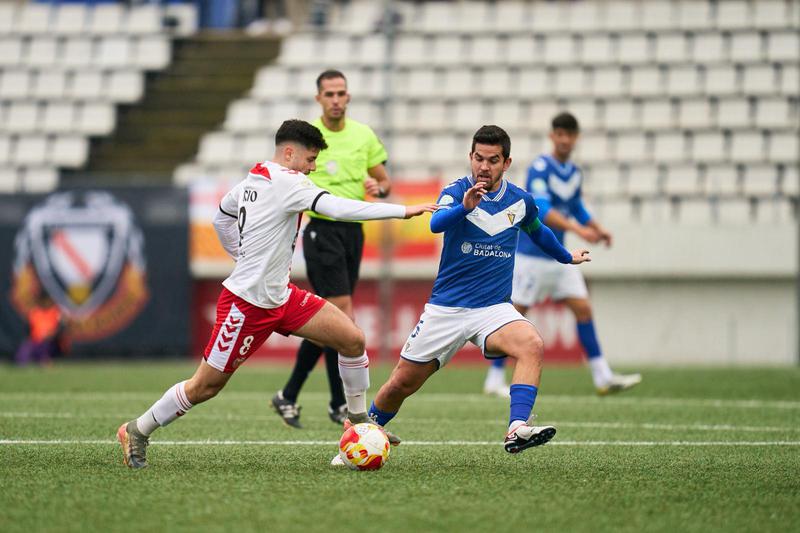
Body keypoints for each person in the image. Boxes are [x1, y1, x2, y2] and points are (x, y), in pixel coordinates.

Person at [117, 119, 435, 469]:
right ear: (289, 153)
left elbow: (221, 218)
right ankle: (137, 429)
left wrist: (240, 254)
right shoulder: (289, 182)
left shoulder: (251, 180)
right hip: (246, 305)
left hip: (282, 297)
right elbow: (339, 209)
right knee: (204, 386)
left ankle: (360, 421)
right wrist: (403, 211)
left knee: (352, 339)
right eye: (310, 159)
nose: (313, 167)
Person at [331, 125, 591, 464]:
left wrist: (565, 256)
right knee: (400, 384)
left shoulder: (521, 201)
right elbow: (436, 224)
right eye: (479, 158)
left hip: (493, 308)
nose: (484, 166)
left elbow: (538, 232)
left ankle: (516, 427)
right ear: (470, 157)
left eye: (493, 160)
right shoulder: (456, 191)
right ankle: (359, 436)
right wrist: (465, 207)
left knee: (532, 344)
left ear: (506, 163)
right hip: (447, 309)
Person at [271, 69, 393, 429]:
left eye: (341, 93)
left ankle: (289, 394)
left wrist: (379, 187)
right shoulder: (308, 137)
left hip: (353, 233)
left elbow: (384, 182)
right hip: (321, 231)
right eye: (330, 94)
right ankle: (341, 404)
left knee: (331, 320)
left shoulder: (363, 135)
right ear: (319, 99)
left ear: (349, 97)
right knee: (342, 319)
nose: (336, 100)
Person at [487, 112, 641, 396]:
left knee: (583, 309)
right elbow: (542, 211)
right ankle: (494, 379)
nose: (565, 140)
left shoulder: (573, 173)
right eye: (560, 134)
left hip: (560, 258)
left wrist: (597, 228)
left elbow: (577, 207)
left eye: (569, 135)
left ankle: (602, 376)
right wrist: (580, 232)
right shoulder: (540, 168)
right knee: (513, 315)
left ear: (575, 138)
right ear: (552, 136)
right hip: (532, 256)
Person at [14, 294, 67, 366]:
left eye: (48, 301)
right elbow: (28, 328)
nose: (46, 303)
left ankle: (45, 360)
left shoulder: (56, 311)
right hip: (35, 342)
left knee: (45, 347)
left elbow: (62, 328)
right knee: (24, 352)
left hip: (51, 342)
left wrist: (52, 334)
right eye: (44, 301)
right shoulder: (35, 312)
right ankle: (26, 363)